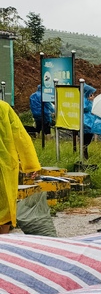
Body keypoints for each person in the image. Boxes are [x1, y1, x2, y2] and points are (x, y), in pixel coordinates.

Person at [0, 100, 40, 233]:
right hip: (4, 167)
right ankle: (4, 246)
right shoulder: (3, 107)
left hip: (5, 166)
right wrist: (31, 164)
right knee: (4, 207)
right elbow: (20, 135)